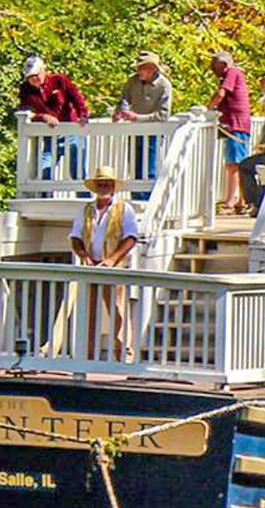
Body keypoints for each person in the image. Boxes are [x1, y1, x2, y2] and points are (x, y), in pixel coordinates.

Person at [68, 166, 139, 361]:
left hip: (114, 268)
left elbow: (131, 237)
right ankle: (86, 356)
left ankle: (124, 356)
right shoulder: (87, 209)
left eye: (107, 183)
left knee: (118, 311)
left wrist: (111, 260)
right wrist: (84, 256)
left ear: (114, 186)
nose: (104, 186)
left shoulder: (124, 208)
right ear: (95, 187)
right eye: (100, 184)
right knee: (87, 312)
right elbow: (75, 237)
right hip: (91, 267)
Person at [18, 55, 90, 185]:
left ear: (43, 70)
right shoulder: (25, 89)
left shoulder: (59, 81)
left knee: (77, 172)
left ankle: (84, 201)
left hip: (71, 131)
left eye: (36, 75)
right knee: (45, 172)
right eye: (30, 77)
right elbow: (25, 111)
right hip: (50, 136)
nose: (34, 79)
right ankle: (44, 201)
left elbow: (77, 98)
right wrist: (43, 117)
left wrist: (83, 115)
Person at [113, 51, 174, 199]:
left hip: (153, 133)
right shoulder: (132, 81)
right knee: (135, 168)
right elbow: (124, 99)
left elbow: (163, 115)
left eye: (141, 68)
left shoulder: (164, 85)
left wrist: (137, 117)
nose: (138, 71)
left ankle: (148, 202)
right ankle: (136, 200)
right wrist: (119, 111)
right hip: (134, 131)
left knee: (149, 168)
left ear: (152, 68)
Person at [207, 51, 252, 213]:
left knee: (234, 165)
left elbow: (220, 94)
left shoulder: (232, 73)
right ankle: (241, 200)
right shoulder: (236, 74)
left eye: (215, 65)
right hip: (238, 124)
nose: (213, 69)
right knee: (239, 164)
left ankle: (230, 202)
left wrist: (208, 110)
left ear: (224, 64)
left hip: (236, 124)